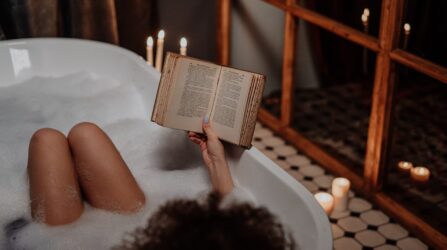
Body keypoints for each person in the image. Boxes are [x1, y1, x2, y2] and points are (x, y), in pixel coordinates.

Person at [27, 117, 294, 249]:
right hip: (134, 225)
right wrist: (217, 163)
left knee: (45, 140)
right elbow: (238, 221)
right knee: (85, 133)